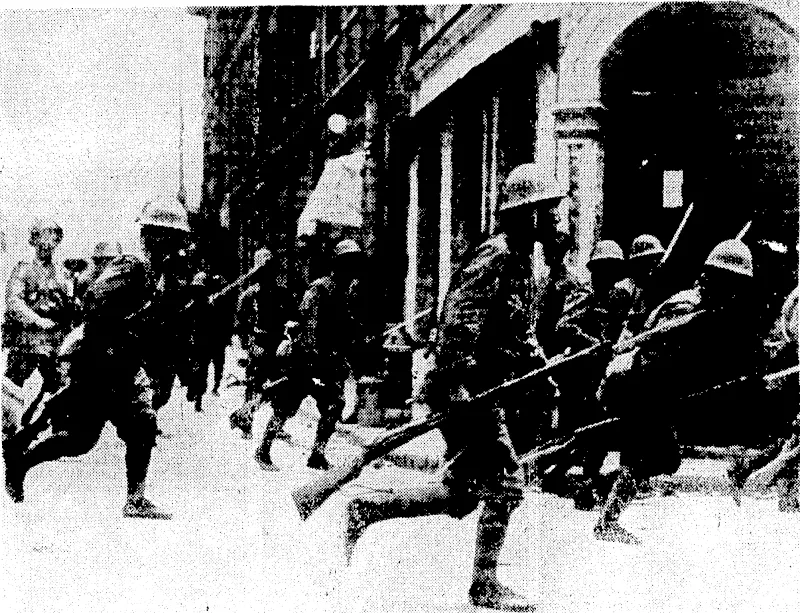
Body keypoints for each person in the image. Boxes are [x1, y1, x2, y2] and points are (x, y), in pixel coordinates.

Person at [342, 164, 569, 611]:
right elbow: (459, 322)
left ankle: (368, 509)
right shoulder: (498, 255)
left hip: (484, 389)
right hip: (465, 390)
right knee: (505, 485)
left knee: (463, 492)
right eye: (548, 211)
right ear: (528, 214)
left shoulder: (522, 261)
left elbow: (517, 335)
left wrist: (544, 372)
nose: (556, 220)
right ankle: (483, 584)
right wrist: (461, 382)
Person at [2, 200, 186, 519]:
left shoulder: (158, 271)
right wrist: (118, 324)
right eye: (167, 236)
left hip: (122, 362)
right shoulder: (133, 265)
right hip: (102, 359)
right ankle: (23, 458)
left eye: (175, 237)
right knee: (83, 438)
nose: (174, 244)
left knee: (126, 426)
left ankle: (135, 498)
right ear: (152, 235)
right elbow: (93, 297)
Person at [594, 239, 763, 544]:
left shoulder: (705, 308)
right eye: (730, 282)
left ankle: (607, 510)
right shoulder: (686, 307)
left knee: (655, 456)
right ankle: (605, 507)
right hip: (635, 384)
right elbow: (654, 353)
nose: (734, 291)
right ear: (712, 277)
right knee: (660, 455)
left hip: (650, 387)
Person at [253, 239, 365, 471]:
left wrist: (355, 341)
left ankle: (317, 453)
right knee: (286, 406)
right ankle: (263, 449)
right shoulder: (319, 289)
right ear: (338, 264)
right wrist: (319, 362)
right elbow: (311, 328)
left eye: (355, 263)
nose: (353, 269)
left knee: (334, 406)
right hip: (305, 359)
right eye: (348, 263)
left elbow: (347, 327)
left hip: (329, 361)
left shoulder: (347, 292)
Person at [3, 218, 74, 427]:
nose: (48, 243)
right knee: (13, 383)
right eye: (42, 237)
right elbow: (13, 301)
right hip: (26, 339)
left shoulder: (62, 272)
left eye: (53, 237)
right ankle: (8, 427)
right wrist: (38, 321)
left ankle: (53, 426)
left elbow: (69, 305)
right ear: (33, 241)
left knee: (61, 383)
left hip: (55, 340)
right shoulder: (23, 269)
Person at [228, 247, 293, 433]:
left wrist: (288, 338)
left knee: (280, 387)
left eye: (271, 271)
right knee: (253, 384)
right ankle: (246, 420)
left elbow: (293, 318)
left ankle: (276, 424)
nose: (269, 276)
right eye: (264, 272)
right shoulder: (249, 295)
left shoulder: (283, 294)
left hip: (279, 345)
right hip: (258, 344)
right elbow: (239, 325)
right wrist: (245, 347)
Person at [617, 234, 665, 340]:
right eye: (643, 263)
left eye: (655, 260)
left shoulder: (664, 288)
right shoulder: (629, 290)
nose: (651, 268)